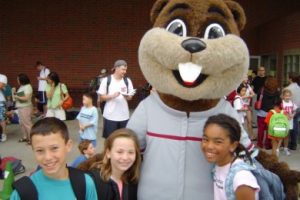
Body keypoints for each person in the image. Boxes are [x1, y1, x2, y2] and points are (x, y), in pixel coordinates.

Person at [10, 117, 98, 200]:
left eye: (54, 148)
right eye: (40, 150)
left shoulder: (85, 183)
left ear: (68, 146)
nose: (47, 157)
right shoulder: (21, 193)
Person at [201, 114, 260, 200]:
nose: (209, 146)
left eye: (218, 142)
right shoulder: (218, 165)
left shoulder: (241, 179)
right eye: (205, 139)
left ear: (233, 145)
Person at [84, 128, 141, 200]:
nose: (125, 157)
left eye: (131, 152)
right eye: (120, 152)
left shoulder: (133, 180)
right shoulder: (92, 182)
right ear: (108, 153)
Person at [97, 60, 135, 138]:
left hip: (124, 116)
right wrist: (112, 96)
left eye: (125, 70)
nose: (125, 72)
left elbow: (130, 97)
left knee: (123, 138)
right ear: (116, 68)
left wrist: (127, 96)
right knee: (110, 139)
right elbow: (101, 97)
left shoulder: (127, 81)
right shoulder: (106, 80)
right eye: (123, 69)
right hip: (110, 116)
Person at [256, 77, 280, 149]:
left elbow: (258, 99)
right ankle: (268, 144)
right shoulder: (276, 91)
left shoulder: (262, 90)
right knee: (269, 129)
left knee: (261, 128)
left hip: (261, 112)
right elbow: (278, 102)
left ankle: (260, 143)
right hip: (271, 112)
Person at [14, 73, 33, 144]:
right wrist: (16, 94)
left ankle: (31, 139)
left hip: (25, 107)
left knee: (27, 123)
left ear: (22, 80)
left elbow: (26, 98)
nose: (17, 81)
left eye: (18, 79)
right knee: (22, 123)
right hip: (20, 106)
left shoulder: (28, 87)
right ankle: (25, 137)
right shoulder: (22, 86)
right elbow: (21, 95)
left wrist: (16, 96)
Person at [285, 73, 300, 150]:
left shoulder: (288, 88)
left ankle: (288, 143)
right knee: (296, 125)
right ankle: (294, 143)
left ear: (290, 79)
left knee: (289, 126)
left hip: (290, 109)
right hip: (298, 108)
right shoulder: (298, 88)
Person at [281, 89, 297, 155]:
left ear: (291, 96)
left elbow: (294, 110)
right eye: (286, 96)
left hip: (290, 121)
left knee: (287, 135)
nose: (287, 97)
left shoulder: (292, 103)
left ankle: (285, 148)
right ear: (283, 96)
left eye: (289, 96)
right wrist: (287, 115)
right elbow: (280, 111)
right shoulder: (281, 103)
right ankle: (278, 148)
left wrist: (293, 115)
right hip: (282, 121)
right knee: (280, 134)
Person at [0, 74, 8, 142]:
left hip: (0, 102)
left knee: (2, 119)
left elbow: (2, 86)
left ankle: (4, 134)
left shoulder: (2, 77)